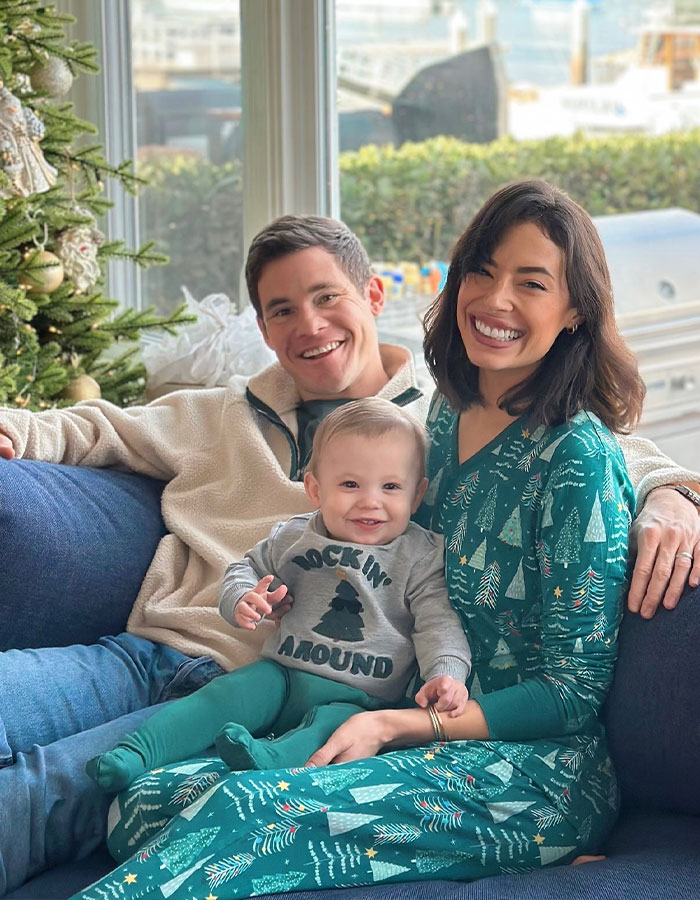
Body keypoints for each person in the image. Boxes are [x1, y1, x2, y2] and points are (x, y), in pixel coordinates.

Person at [0, 213, 697, 895]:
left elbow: (575, 677)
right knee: (144, 805)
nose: (497, 298)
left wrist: (672, 494)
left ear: (577, 308)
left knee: (207, 809)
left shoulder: (507, 436)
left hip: (502, 752)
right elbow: (95, 427)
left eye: (533, 282)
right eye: (482, 271)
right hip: (292, 686)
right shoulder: (437, 412)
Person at [87, 399, 472, 791]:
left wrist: (446, 674)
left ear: (417, 493)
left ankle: (269, 760)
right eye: (350, 484)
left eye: (391, 487)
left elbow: (437, 621)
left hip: (359, 699)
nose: (370, 501)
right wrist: (241, 598)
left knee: (328, 731)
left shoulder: (419, 554)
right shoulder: (293, 535)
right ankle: (136, 753)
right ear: (315, 489)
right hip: (283, 674)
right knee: (222, 696)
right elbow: (244, 569)